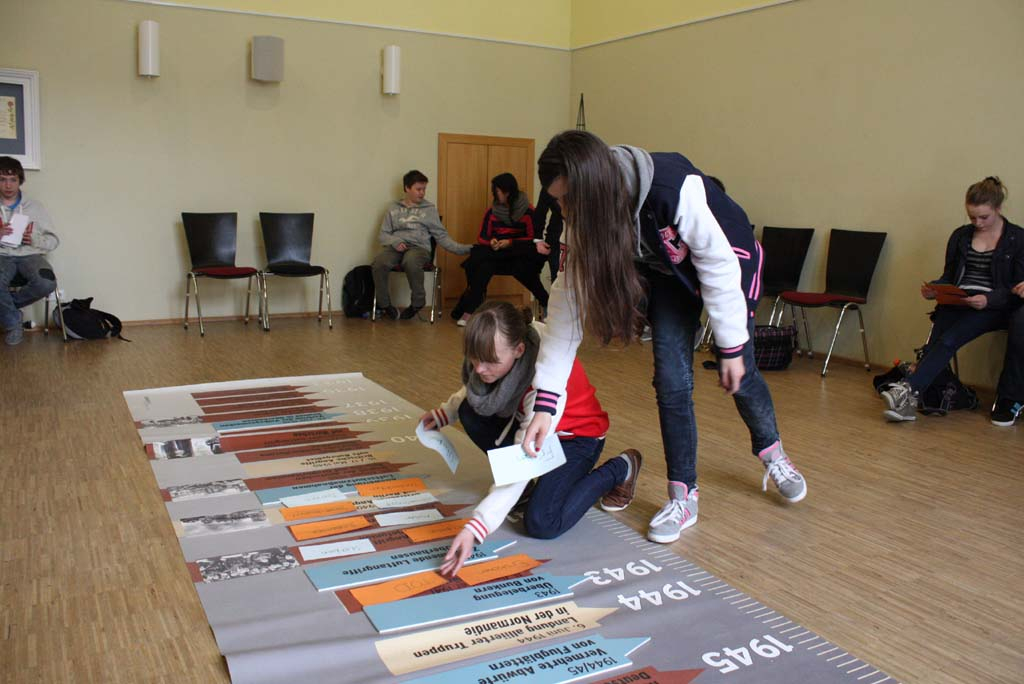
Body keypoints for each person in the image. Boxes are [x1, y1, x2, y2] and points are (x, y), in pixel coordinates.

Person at [520, 130, 806, 546]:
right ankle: (683, 495)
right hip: (669, 275)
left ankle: (771, 451)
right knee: (672, 380)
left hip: (727, 260)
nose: (562, 211)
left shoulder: (674, 189)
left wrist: (728, 347)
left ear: (595, 188)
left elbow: (719, 267)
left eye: (566, 200)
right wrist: (547, 404)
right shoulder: (583, 220)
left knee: (740, 374)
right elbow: (567, 308)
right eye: (557, 200)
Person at [419, 301, 642, 576]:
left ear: (519, 351)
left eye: (490, 361)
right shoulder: (511, 342)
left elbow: (521, 462)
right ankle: (523, 493)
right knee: (470, 411)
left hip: (576, 436)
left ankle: (622, 467)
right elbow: (479, 391)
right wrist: (446, 412)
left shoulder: (545, 386)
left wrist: (477, 526)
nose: (478, 369)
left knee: (542, 522)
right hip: (532, 426)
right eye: (474, 359)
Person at [882, 177, 1024, 426]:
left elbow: (1016, 287)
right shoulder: (960, 236)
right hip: (961, 300)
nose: (978, 223)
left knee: (948, 338)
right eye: (972, 217)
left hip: (995, 305)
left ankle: (907, 390)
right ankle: (909, 399)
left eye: (984, 217)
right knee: (940, 331)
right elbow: (950, 275)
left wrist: (988, 298)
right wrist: (936, 289)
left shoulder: (1017, 238)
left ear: (998, 209)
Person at [451, 173, 549, 326]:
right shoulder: (491, 212)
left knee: (523, 269)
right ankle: (470, 310)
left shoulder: (529, 211)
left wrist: (510, 242)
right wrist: (492, 242)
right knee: (482, 265)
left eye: (498, 191)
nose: (496, 194)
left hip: (519, 253)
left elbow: (533, 238)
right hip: (497, 254)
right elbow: (482, 237)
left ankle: (546, 302)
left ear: (508, 192)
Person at [372, 170, 470, 320]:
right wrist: (395, 242)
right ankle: (385, 305)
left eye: (424, 189)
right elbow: (383, 235)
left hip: (419, 248)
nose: (422, 193)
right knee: (379, 263)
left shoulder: (429, 209)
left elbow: (441, 236)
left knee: (410, 261)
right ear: (407, 188)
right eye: (419, 189)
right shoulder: (393, 208)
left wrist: (464, 249)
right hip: (396, 247)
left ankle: (418, 303)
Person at [0, 156, 59, 346]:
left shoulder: (35, 207)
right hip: (2, 256)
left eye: (13, 179)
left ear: (20, 181)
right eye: (2, 179)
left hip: (30, 255)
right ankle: (13, 323)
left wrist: (35, 239)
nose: (8, 185)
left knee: (46, 283)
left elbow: (53, 241)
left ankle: (8, 310)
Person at [533, 187, 564, 283]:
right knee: (558, 279)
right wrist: (538, 239)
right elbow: (540, 211)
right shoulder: (553, 182)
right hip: (557, 238)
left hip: (586, 238)